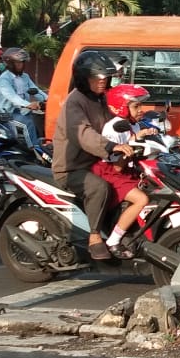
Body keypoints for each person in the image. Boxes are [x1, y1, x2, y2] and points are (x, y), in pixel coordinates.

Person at [51, 50, 121, 262]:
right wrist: (109, 146)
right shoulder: (75, 101)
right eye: (96, 78)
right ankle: (94, 236)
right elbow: (82, 133)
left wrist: (137, 128)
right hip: (71, 168)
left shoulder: (99, 99)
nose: (102, 82)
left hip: (92, 161)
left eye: (104, 77)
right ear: (83, 78)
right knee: (99, 188)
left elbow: (113, 122)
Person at [90, 84, 156, 258]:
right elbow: (117, 165)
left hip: (127, 170)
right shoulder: (114, 128)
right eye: (136, 106)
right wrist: (133, 145)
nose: (141, 110)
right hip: (110, 171)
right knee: (141, 199)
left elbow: (137, 141)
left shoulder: (132, 124)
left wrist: (147, 135)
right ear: (122, 107)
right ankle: (113, 240)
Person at [0, 47, 47, 147]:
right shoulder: (4, 79)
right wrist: (28, 104)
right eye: (18, 63)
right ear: (10, 64)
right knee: (28, 123)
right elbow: (12, 97)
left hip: (23, 111)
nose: (22, 65)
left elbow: (36, 90)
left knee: (41, 119)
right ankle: (35, 151)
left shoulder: (25, 77)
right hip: (8, 114)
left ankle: (43, 145)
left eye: (23, 62)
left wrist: (48, 99)